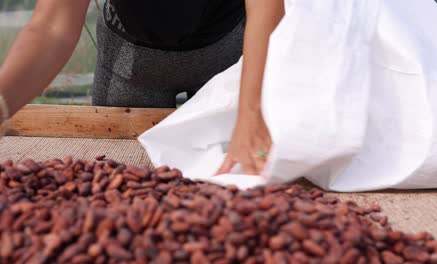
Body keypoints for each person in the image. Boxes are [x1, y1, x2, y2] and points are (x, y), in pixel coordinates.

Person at [0, 0, 283, 175]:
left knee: (236, 164)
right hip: (131, 59)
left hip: (226, 49)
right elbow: (53, 25)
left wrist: (251, 111)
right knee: (116, 167)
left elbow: (267, 6)